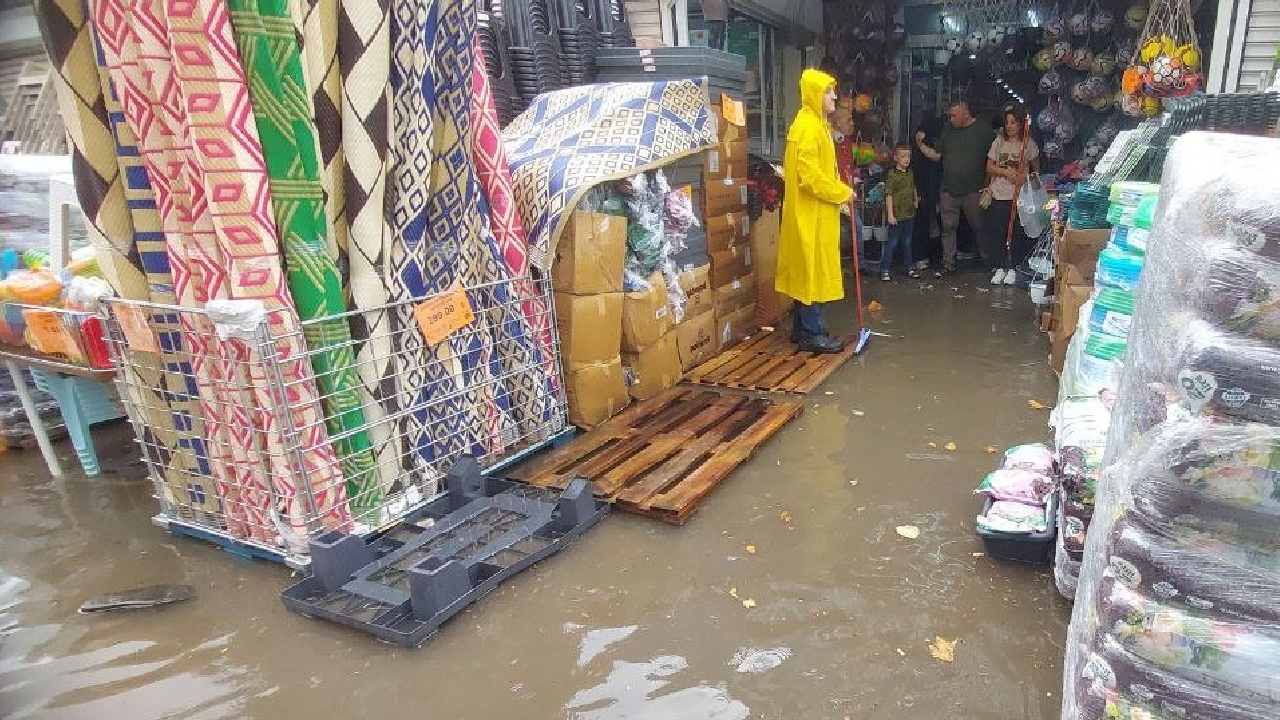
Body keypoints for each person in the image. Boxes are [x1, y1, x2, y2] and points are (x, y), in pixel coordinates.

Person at [777, 69, 853, 354]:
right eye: (828, 91)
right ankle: (811, 332)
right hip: (811, 215)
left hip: (813, 213)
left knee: (806, 271)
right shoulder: (808, 127)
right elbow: (810, 177)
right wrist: (842, 192)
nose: (834, 96)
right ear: (814, 94)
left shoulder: (813, 123)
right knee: (813, 274)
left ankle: (802, 329)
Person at [915, 99, 995, 278]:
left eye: (954, 115)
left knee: (980, 226)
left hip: (975, 189)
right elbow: (936, 155)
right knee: (948, 227)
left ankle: (990, 262)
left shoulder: (983, 130)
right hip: (949, 188)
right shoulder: (948, 130)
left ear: (966, 113)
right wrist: (920, 145)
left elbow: (995, 156)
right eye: (949, 115)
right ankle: (948, 264)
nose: (950, 119)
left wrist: (989, 183)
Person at [984, 106, 1040, 285]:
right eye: (1007, 123)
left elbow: (1036, 170)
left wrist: (1026, 177)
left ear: (1021, 124)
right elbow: (989, 167)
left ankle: (1015, 267)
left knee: (1016, 233)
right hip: (1000, 194)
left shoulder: (1028, 143)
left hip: (1020, 196)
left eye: (1013, 123)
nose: (1009, 126)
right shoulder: (998, 143)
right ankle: (1000, 266)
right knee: (999, 232)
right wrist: (1005, 172)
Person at [882, 143, 920, 282]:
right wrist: (890, 214)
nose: (906, 159)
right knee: (892, 242)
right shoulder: (892, 175)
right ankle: (885, 269)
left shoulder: (910, 172)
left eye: (908, 156)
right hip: (897, 215)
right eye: (903, 156)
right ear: (896, 157)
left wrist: (915, 199)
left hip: (909, 213)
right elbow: (889, 195)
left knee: (907, 242)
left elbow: (912, 186)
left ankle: (909, 267)